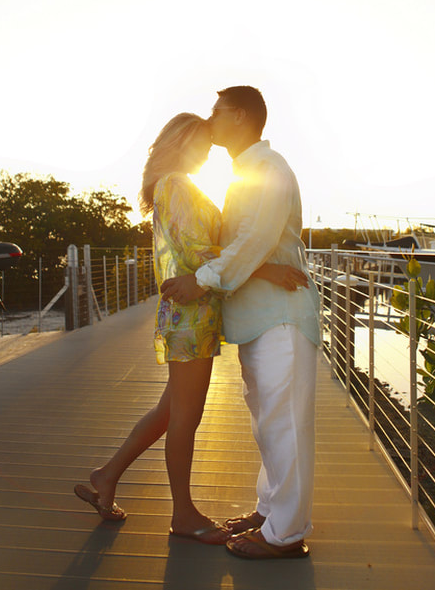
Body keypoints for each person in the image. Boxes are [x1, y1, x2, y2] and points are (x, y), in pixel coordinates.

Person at [74, 112, 306, 546]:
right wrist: (264, 269)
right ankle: (183, 515)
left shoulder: (172, 185)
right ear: (180, 143)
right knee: (186, 417)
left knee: (168, 412)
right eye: (200, 142)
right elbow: (199, 252)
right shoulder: (177, 185)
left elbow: (202, 250)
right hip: (190, 316)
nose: (207, 150)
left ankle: (106, 476)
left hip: (191, 315)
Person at [161, 86, 321, 560]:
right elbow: (243, 247)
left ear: (238, 115)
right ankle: (271, 510)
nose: (210, 119)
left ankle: (286, 534)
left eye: (216, 111)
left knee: (285, 426)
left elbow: (252, 242)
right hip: (257, 319)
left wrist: (200, 280)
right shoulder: (245, 174)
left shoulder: (269, 170)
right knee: (268, 426)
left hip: (281, 317)